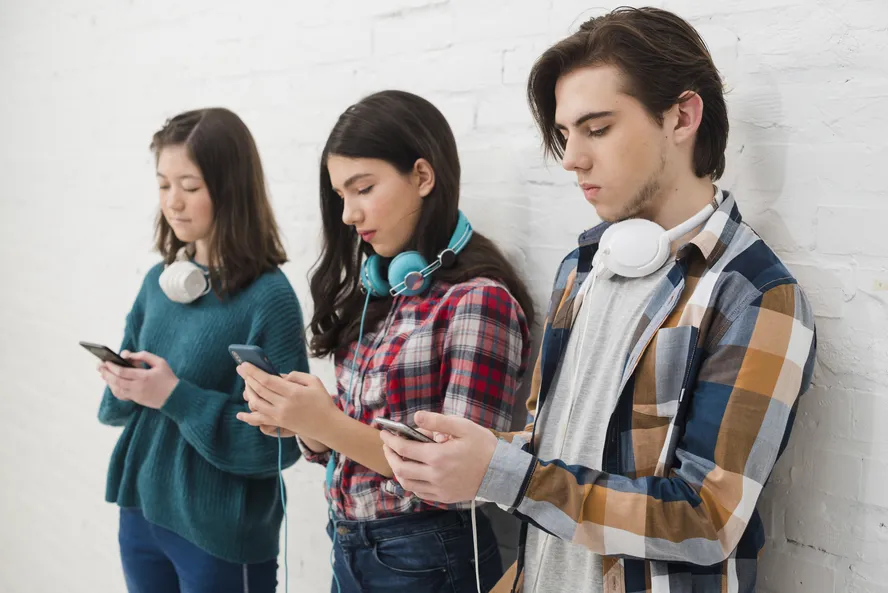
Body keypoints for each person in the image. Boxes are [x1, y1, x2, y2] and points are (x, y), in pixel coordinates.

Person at [380, 8, 817, 593]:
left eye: (598, 128)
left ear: (682, 117)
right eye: (565, 134)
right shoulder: (583, 268)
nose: (570, 158)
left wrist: (507, 476)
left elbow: (707, 520)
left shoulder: (754, 296)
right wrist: (474, 457)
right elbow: (556, 450)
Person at [235, 90, 534, 593]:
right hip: (349, 543)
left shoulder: (479, 302)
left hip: (425, 555)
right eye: (340, 195)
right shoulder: (382, 290)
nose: (348, 214)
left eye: (363, 188)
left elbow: (460, 479)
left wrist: (325, 421)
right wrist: (307, 422)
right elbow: (355, 439)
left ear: (422, 176)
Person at [97, 107, 308, 593]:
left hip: (220, 537)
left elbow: (278, 444)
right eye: (163, 185)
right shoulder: (159, 284)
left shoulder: (268, 299)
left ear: (230, 189)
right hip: (142, 515)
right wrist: (125, 384)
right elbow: (117, 412)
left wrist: (174, 395)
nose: (173, 202)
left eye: (189, 187)